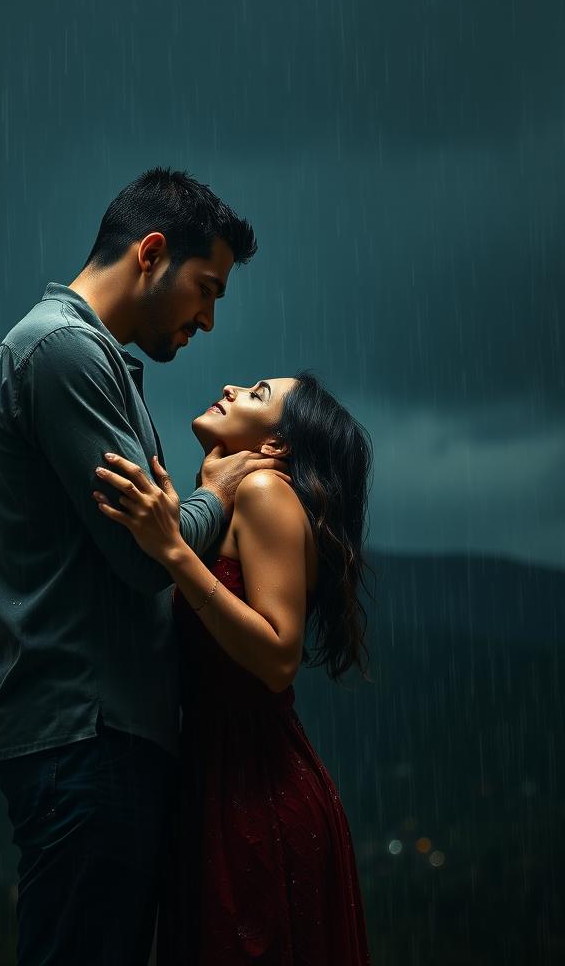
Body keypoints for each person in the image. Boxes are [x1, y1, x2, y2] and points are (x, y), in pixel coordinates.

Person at [0, 168, 288, 966]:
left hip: (103, 739)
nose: (210, 321)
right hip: (87, 736)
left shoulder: (91, 360)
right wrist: (215, 491)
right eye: (207, 288)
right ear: (152, 252)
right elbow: (148, 556)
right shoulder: (62, 353)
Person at [93, 372, 374, 965]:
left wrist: (171, 548)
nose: (230, 387)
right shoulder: (228, 498)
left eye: (257, 394)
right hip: (217, 785)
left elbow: (278, 657)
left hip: (258, 795)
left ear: (274, 447)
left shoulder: (265, 492)